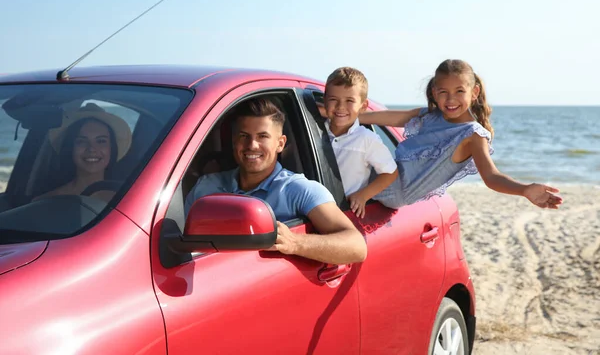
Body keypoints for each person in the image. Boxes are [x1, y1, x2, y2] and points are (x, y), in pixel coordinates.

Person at [359, 59, 563, 209]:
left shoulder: (472, 135)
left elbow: (492, 176)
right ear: (434, 93)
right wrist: (342, 114)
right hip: (384, 180)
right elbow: (376, 117)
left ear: (473, 93)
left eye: (459, 91)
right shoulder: (428, 116)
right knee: (354, 140)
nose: (450, 99)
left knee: (360, 144)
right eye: (443, 92)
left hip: (394, 190)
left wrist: (524, 189)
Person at [184, 97, 367, 265]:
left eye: (262, 136)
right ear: (234, 141)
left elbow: (356, 246)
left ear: (280, 143)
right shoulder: (206, 186)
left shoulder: (298, 189)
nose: (252, 145)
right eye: (243, 136)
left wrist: (295, 242)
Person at [322, 67, 398, 218]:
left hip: (344, 212)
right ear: (324, 100)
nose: (340, 107)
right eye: (333, 100)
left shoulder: (367, 139)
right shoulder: (316, 129)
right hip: (316, 209)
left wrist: (363, 195)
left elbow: (390, 173)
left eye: (349, 101)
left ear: (363, 106)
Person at [34, 103, 132, 200]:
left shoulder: (131, 202)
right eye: (81, 141)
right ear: (70, 147)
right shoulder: (45, 203)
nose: (92, 148)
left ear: (112, 148)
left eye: (101, 141)